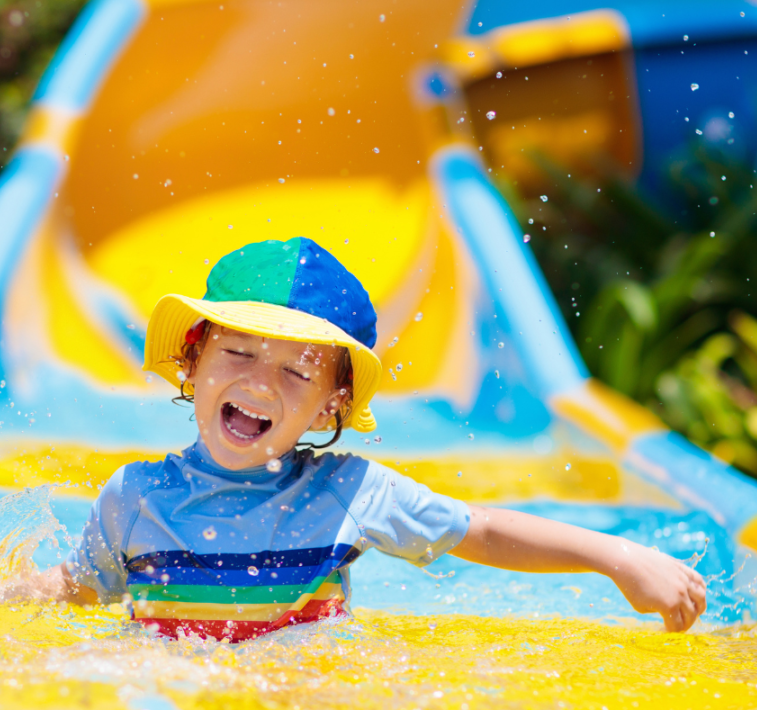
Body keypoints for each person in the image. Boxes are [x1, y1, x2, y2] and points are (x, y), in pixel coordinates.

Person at [35, 237, 706, 639]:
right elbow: (79, 587)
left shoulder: (348, 492)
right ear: (193, 360)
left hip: (300, 703)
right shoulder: (135, 496)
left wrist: (615, 557)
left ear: (332, 405)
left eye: (296, 371)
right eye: (239, 355)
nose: (262, 386)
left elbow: (481, 531)